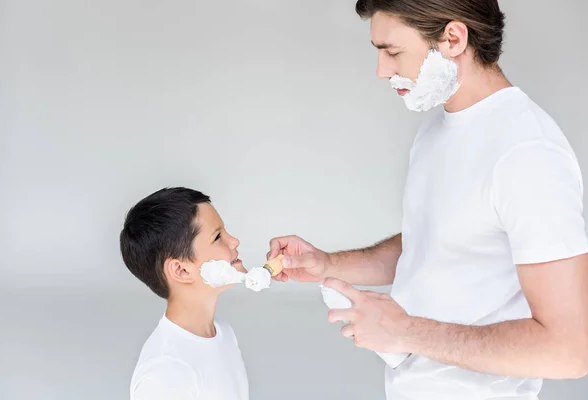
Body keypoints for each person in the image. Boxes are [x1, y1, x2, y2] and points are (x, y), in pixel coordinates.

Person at [268, 1, 588, 399]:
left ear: (453, 39)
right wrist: (329, 264)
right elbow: (438, 241)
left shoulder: (527, 153)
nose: (382, 70)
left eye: (392, 51)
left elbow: (568, 350)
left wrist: (404, 331)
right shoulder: (438, 128)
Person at [120, 187, 249, 400]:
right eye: (217, 237)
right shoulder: (165, 374)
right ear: (181, 270)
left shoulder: (224, 333)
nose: (234, 241)